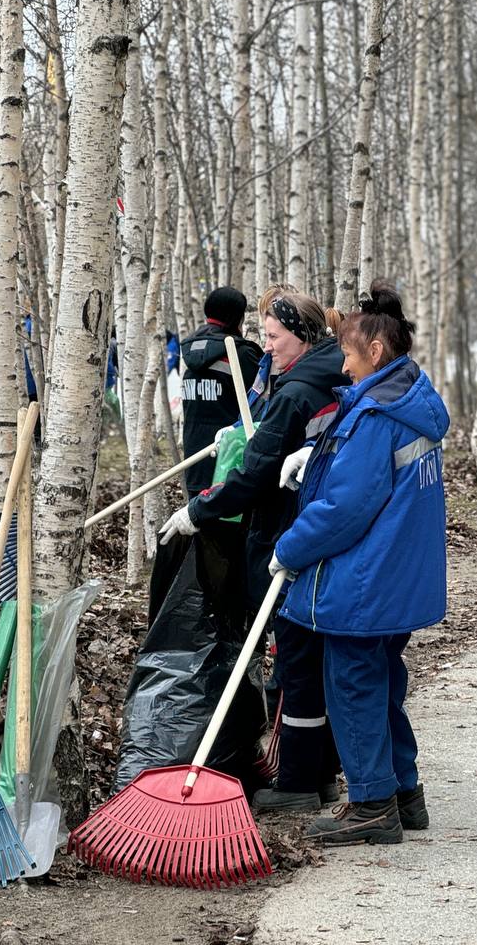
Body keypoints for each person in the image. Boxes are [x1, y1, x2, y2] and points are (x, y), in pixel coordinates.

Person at [270, 280, 448, 845]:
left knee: (352, 683)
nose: (343, 367)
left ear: (374, 352)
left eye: (347, 354)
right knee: (384, 679)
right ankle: (404, 792)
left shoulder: (377, 416)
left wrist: (288, 548)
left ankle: (373, 803)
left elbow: (346, 508)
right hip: (398, 576)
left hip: (369, 578)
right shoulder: (407, 401)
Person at [159, 288, 349, 810]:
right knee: (308, 658)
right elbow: (272, 439)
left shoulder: (298, 389)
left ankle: (297, 785)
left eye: (273, 337)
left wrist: (199, 510)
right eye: (262, 337)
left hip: (290, 533)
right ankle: (321, 774)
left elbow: (260, 470)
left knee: (295, 662)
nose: (265, 348)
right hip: (317, 532)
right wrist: (241, 434)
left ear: (303, 336)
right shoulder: (327, 374)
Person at [179, 287, 263, 494]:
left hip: (194, 459)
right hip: (231, 462)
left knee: (198, 522)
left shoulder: (190, 351)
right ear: (237, 317)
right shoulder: (241, 353)